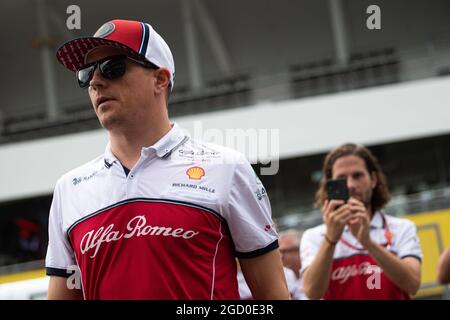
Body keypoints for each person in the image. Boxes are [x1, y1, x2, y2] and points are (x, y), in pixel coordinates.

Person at [45, 19, 290, 300]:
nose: (97, 81)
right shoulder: (69, 189)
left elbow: (273, 295)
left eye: (113, 67)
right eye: (87, 73)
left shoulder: (226, 168)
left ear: (160, 79)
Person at [300, 143, 422, 300]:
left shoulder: (402, 228)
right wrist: (330, 239)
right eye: (341, 179)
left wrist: (367, 242)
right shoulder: (315, 236)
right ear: (329, 185)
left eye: (357, 176)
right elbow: (312, 293)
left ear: (373, 179)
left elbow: (413, 284)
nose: (350, 185)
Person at [278, 229, 307, 299]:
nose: (281, 257)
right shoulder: (280, 277)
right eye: (279, 252)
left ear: (300, 250)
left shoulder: (316, 271)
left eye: (285, 251)